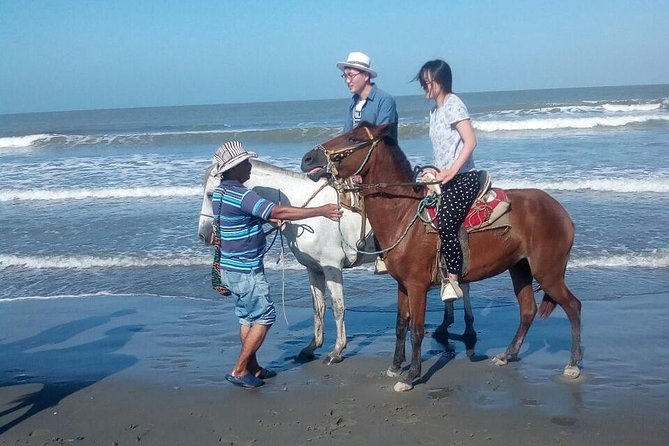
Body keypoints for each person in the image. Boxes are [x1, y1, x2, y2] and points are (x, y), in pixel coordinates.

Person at [211, 140, 343, 388]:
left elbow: (244, 220)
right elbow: (278, 212)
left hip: (230, 269)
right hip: (246, 270)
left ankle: (253, 367)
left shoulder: (220, 194)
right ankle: (240, 369)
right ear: (234, 168)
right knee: (264, 317)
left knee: (246, 319)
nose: (250, 167)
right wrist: (321, 210)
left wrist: (262, 225)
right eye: (245, 163)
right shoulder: (242, 195)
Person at [414, 59, 479, 301]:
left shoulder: (454, 104)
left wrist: (451, 171)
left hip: (463, 177)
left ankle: (453, 280)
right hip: (442, 177)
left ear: (441, 81)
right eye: (423, 82)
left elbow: (470, 141)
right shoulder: (434, 111)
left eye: (427, 82)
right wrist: (433, 169)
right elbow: (443, 149)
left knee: (446, 221)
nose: (424, 86)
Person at [337, 51, 398, 142]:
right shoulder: (353, 102)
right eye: (345, 76)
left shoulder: (384, 100)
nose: (347, 81)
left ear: (365, 76)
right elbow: (346, 136)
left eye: (351, 75)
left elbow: (381, 138)